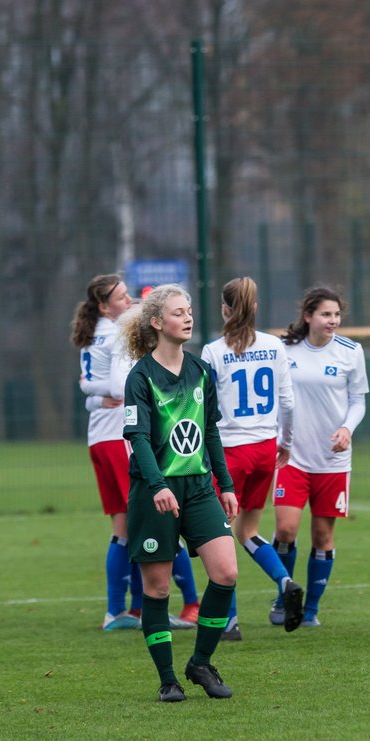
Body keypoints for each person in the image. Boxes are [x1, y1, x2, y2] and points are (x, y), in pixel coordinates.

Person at [120, 283, 240, 702]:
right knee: (156, 589)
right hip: (155, 492)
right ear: (156, 322)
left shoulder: (200, 370)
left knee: (225, 572)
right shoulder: (140, 376)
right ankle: (168, 679)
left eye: (189, 310)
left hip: (198, 489)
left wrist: (224, 484)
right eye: (178, 312)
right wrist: (156, 486)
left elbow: (209, 431)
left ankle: (201, 662)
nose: (187, 317)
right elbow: (137, 438)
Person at [71, 274, 200, 631]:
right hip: (120, 438)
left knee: (124, 529)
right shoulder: (116, 333)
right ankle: (188, 604)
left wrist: (94, 399)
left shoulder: (93, 331)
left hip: (99, 435)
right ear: (103, 305)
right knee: (162, 518)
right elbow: (117, 385)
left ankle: (123, 611)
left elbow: (87, 385)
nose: (129, 302)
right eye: (121, 297)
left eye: (130, 295)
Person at [200, 277, 304, 641]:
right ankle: (284, 579)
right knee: (249, 532)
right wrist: (285, 445)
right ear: (255, 308)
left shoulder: (212, 352)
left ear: (225, 309)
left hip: (229, 452)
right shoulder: (275, 346)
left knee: (220, 535)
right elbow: (288, 404)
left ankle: (229, 620)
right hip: (265, 449)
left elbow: (204, 410)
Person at [271, 286, 370, 627]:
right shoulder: (284, 350)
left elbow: (358, 401)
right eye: (326, 314)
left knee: (322, 538)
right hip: (292, 456)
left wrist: (347, 429)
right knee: (285, 530)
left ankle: (309, 610)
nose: (332, 321)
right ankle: (284, 595)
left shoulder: (350, 352)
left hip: (332, 459)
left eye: (336, 315)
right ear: (308, 316)